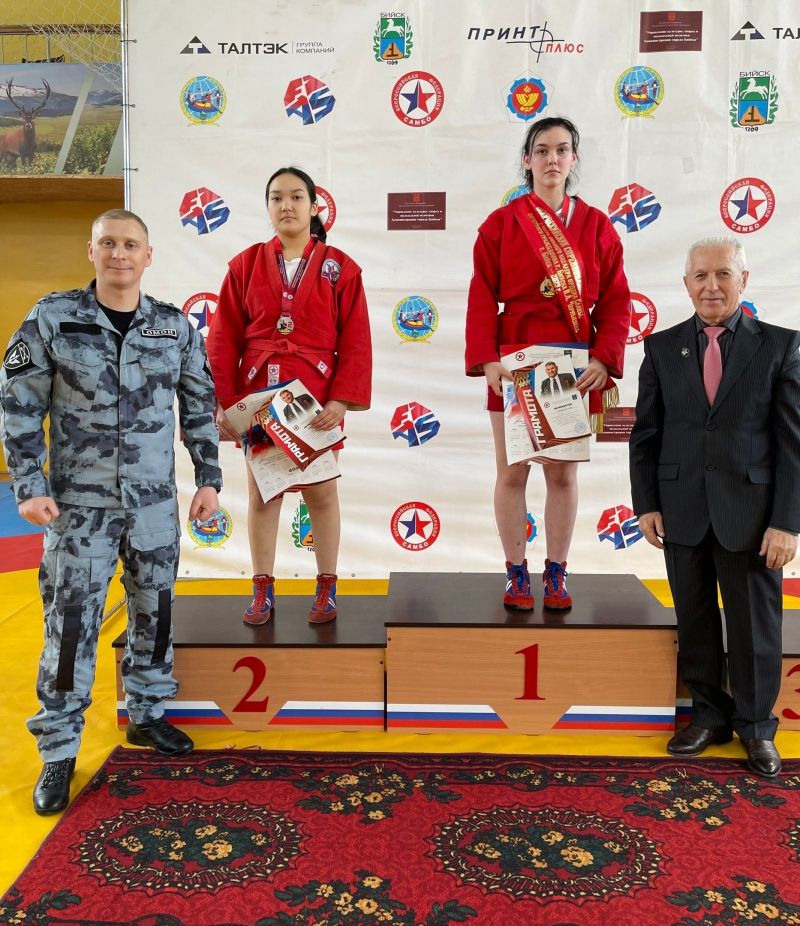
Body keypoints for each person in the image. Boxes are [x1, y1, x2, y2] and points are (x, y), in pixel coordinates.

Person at [0, 209, 222, 815]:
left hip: (153, 506)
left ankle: (147, 714)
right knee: (70, 627)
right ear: (91, 251)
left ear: (148, 256)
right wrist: (29, 485)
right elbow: (18, 403)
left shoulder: (173, 327)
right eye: (108, 243)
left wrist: (208, 479)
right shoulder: (53, 318)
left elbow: (199, 404)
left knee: (156, 612)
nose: (119, 253)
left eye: (130, 244)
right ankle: (59, 750)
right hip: (79, 509)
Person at [629, 237, 800, 777]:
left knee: (755, 628)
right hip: (681, 511)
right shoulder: (661, 348)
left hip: (752, 517)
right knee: (695, 619)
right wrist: (646, 504)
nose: (711, 286)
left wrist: (786, 522)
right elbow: (646, 434)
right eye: (700, 276)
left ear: (743, 281)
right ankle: (708, 716)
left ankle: (756, 728)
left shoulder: (782, 346)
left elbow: (793, 444)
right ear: (686, 284)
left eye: (723, 274)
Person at [465, 116, 630, 611]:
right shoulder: (501, 224)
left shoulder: (597, 226)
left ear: (573, 158)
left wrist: (604, 358)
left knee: (562, 475)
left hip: (574, 362)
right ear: (527, 159)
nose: (552, 159)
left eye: (561, 150)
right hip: (513, 360)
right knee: (512, 472)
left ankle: (556, 571)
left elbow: (616, 299)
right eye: (541, 150)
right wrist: (486, 360)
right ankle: (516, 572)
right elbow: (480, 295)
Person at [207, 167, 371, 625]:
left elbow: (356, 339)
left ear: (315, 206)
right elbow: (222, 339)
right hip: (260, 395)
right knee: (264, 494)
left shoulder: (340, 268)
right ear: (268, 207)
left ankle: (327, 587)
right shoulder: (244, 265)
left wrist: (341, 400)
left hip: (315, 399)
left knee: (322, 494)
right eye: (277, 197)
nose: (286, 205)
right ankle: (262, 589)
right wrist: (225, 401)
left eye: (297, 197)